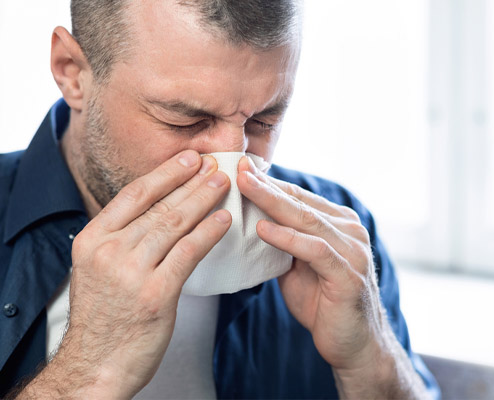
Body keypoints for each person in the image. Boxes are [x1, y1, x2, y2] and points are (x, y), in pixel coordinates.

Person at [0, 0, 440, 398]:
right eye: (186, 120)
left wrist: (371, 364)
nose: (234, 163)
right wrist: (86, 376)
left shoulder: (337, 231)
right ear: (72, 71)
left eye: (264, 121)